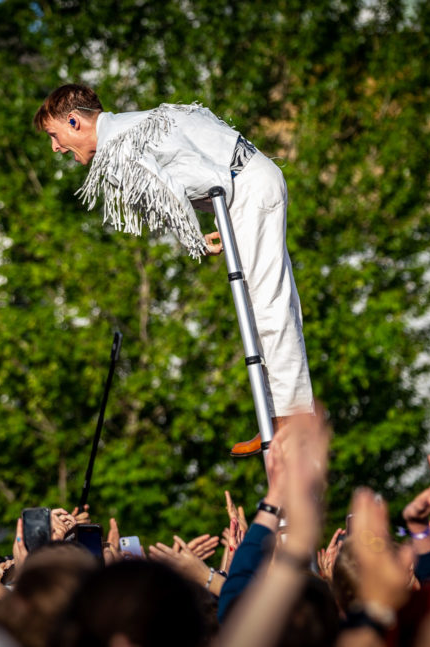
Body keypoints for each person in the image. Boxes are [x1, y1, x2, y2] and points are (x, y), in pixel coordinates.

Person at [34, 84, 314, 456]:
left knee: (268, 305)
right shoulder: (129, 131)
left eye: (55, 135)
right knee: (260, 307)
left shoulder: (124, 141)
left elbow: (181, 184)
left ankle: (292, 419)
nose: (55, 147)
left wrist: (195, 237)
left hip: (249, 187)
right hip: (243, 189)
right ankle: (277, 415)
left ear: (74, 121)